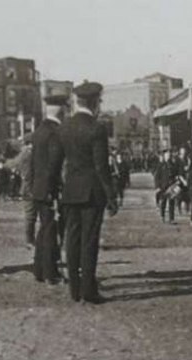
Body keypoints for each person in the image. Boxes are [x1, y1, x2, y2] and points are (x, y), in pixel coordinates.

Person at [50, 81, 118, 304]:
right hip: (92, 193)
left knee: (72, 239)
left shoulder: (63, 127)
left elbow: (55, 164)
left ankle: (74, 289)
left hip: (70, 191)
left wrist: (55, 191)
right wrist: (111, 195)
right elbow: (101, 167)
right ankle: (88, 290)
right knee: (89, 241)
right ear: (94, 102)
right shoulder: (97, 128)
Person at [30, 93, 69, 285]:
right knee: (50, 231)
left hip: (39, 189)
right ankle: (50, 273)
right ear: (62, 110)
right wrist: (56, 190)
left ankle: (39, 269)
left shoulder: (39, 130)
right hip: (50, 190)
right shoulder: (55, 132)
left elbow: (34, 164)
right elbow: (54, 165)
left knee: (43, 229)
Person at [154, 149, 180, 224]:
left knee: (172, 202)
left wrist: (176, 180)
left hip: (171, 186)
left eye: (169, 155)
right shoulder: (160, 165)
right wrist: (157, 187)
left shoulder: (173, 164)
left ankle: (171, 218)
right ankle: (162, 216)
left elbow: (176, 174)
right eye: (166, 155)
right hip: (163, 186)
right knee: (163, 202)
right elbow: (157, 177)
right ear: (164, 156)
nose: (168, 156)